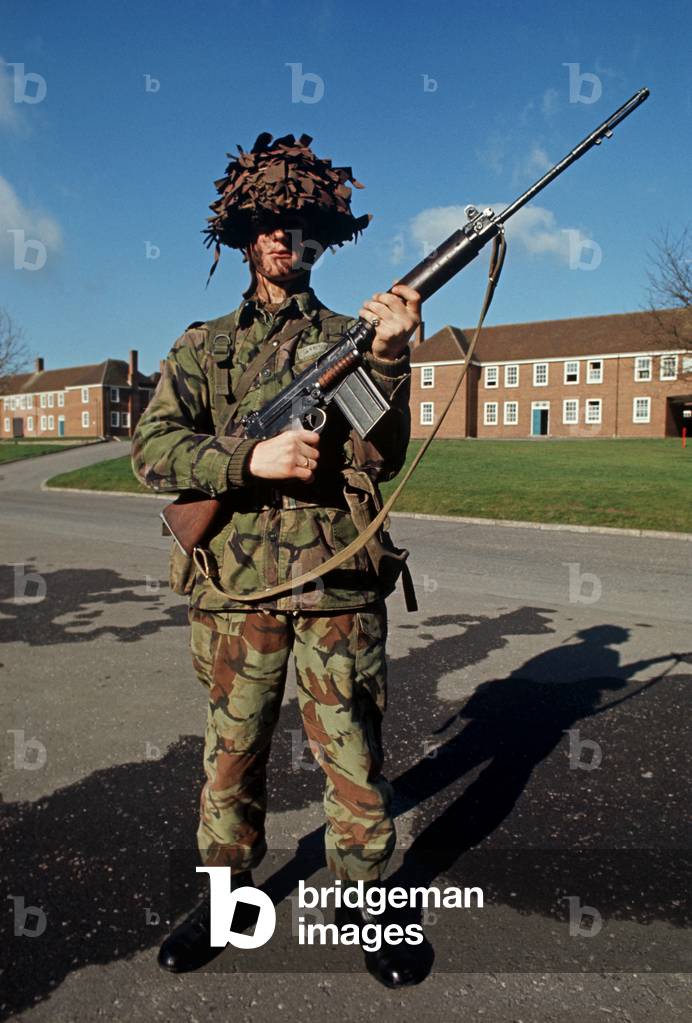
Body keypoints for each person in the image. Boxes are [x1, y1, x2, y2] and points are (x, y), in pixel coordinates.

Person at [130, 133, 425, 987]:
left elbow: (379, 455)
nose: (283, 238)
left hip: (335, 584)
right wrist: (245, 461)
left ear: (319, 241)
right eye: (267, 224)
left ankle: (367, 900)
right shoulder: (204, 347)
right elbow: (152, 450)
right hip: (235, 591)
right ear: (244, 237)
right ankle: (224, 901)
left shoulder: (351, 339)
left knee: (354, 756)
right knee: (232, 755)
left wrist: (390, 356)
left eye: (300, 226)